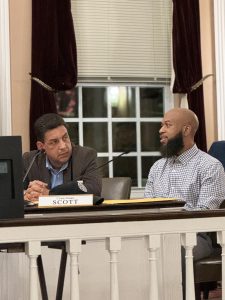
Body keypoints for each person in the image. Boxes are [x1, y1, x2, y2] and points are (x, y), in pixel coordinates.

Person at [144, 108, 225, 299]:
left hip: (195, 238)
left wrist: (171, 230)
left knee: (173, 253)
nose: (161, 130)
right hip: (157, 233)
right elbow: (147, 206)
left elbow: (205, 214)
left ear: (186, 130)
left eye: (168, 125)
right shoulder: (157, 167)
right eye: (162, 124)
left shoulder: (210, 166)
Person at [23, 113, 101, 203]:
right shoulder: (29, 160)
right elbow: (14, 194)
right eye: (54, 142)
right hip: (42, 216)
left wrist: (49, 195)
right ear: (41, 146)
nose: (63, 146)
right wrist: (27, 195)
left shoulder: (85, 156)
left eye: (65, 138)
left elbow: (94, 190)